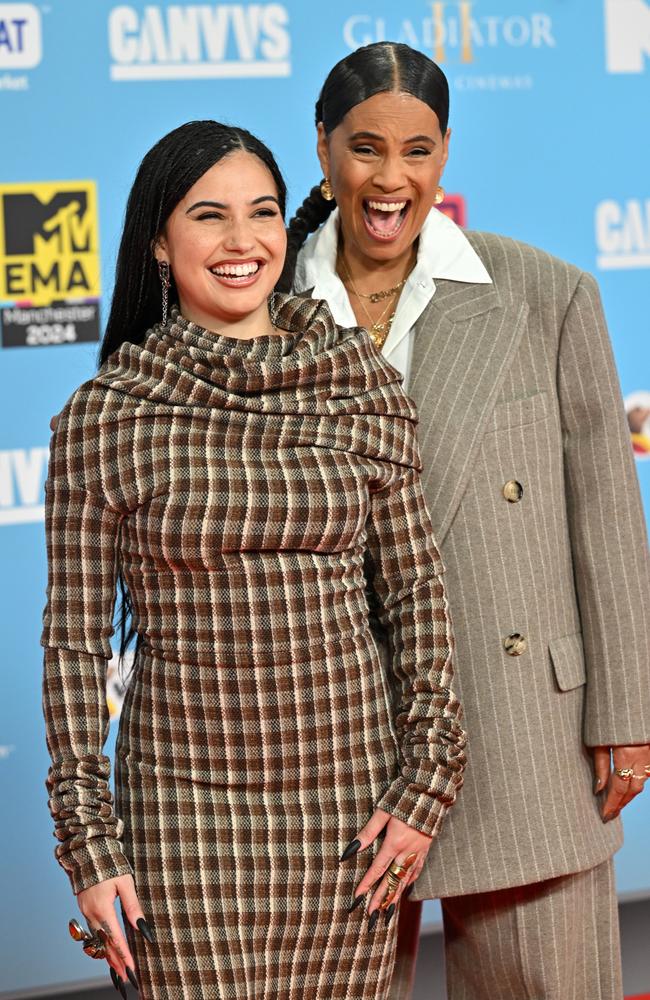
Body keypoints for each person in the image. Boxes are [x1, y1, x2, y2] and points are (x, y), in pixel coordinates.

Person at [41, 119, 467, 1000]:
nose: (243, 242)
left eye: (263, 213)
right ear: (160, 242)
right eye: (209, 217)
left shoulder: (358, 381)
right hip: (184, 826)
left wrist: (426, 783)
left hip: (352, 815)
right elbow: (74, 649)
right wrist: (88, 843)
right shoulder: (109, 413)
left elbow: (417, 597)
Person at [282, 42, 650, 1000]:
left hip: (528, 722)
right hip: (332, 732)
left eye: (419, 149)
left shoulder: (544, 292)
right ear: (322, 149)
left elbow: (605, 508)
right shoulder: (260, 304)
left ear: (446, 154)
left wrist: (627, 711)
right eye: (365, 148)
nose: (391, 178)